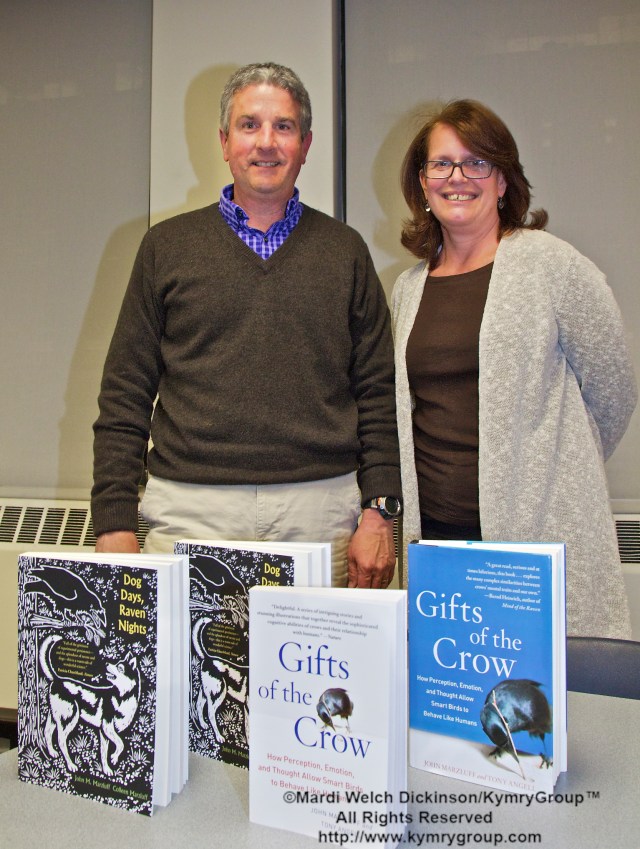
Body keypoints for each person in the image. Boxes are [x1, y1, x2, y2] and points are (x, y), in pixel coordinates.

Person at [91, 62, 402, 589]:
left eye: (283, 126)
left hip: (322, 514)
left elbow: (377, 393)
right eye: (249, 125)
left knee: (320, 674)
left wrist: (380, 511)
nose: (266, 142)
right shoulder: (165, 248)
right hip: (191, 511)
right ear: (224, 141)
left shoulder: (345, 252)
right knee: (185, 672)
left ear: (305, 144)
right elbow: (125, 392)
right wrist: (114, 521)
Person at [392, 98, 637, 637]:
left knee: (535, 708)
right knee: (450, 704)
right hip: (435, 546)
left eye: (477, 162)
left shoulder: (550, 263)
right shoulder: (409, 287)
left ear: (502, 181)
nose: (458, 177)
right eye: (442, 163)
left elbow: (613, 391)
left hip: (531, 544)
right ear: (422, 182)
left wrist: (557, 471)